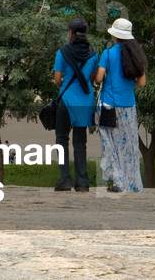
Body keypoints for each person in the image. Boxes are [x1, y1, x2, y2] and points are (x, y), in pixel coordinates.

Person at [95, 18, 146, 194]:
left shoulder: (108, 54)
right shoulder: (136, 55)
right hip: (128, 106)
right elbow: (142, 83)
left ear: (115, 35)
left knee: (110, 143)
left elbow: (99, 78)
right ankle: (132, 184)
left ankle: (117, 181)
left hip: (109, 106)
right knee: (129, 145)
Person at [52, 18, 98, 192]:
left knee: (61, 139)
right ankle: (82, 182)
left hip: (66, 100)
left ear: (71, 33)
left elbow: (57, 79)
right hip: (85, 101)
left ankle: (64, 180)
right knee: (80, 142)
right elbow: (93, 77)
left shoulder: (62, 52)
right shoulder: (93, 54)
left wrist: (64, 83)